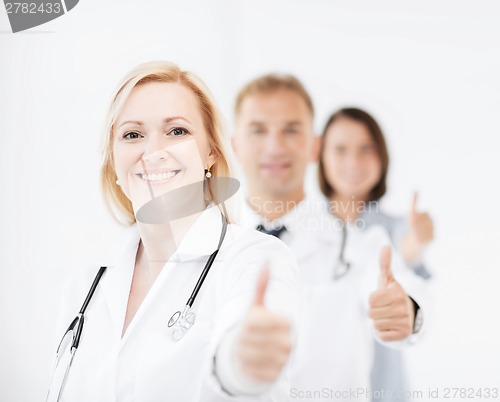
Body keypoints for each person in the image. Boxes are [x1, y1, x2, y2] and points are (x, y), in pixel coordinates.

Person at [46, 61, 299, 402]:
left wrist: (243, 364)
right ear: (115, 162)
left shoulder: (255, 260)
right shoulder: (83, 287)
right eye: (132, 135)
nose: (153, 152)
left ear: (210, 152)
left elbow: (240, 366)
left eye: (177, 131)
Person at [231, 74, 428, 402]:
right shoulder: (203, 244)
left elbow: (412, 292)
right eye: (258, 129)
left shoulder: (361, 244)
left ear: (314, 146)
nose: (275, 145)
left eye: (291, 129)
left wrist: (407, 310)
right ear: (235, 144)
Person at [318, 107, 434, 401]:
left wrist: (414, 247)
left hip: (384, 388)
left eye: (366, 149)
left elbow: (408, 265)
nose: (353, 161)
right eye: (340, 149)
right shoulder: (303, 228)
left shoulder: (395, 228)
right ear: (320, 156)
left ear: (381, 156)